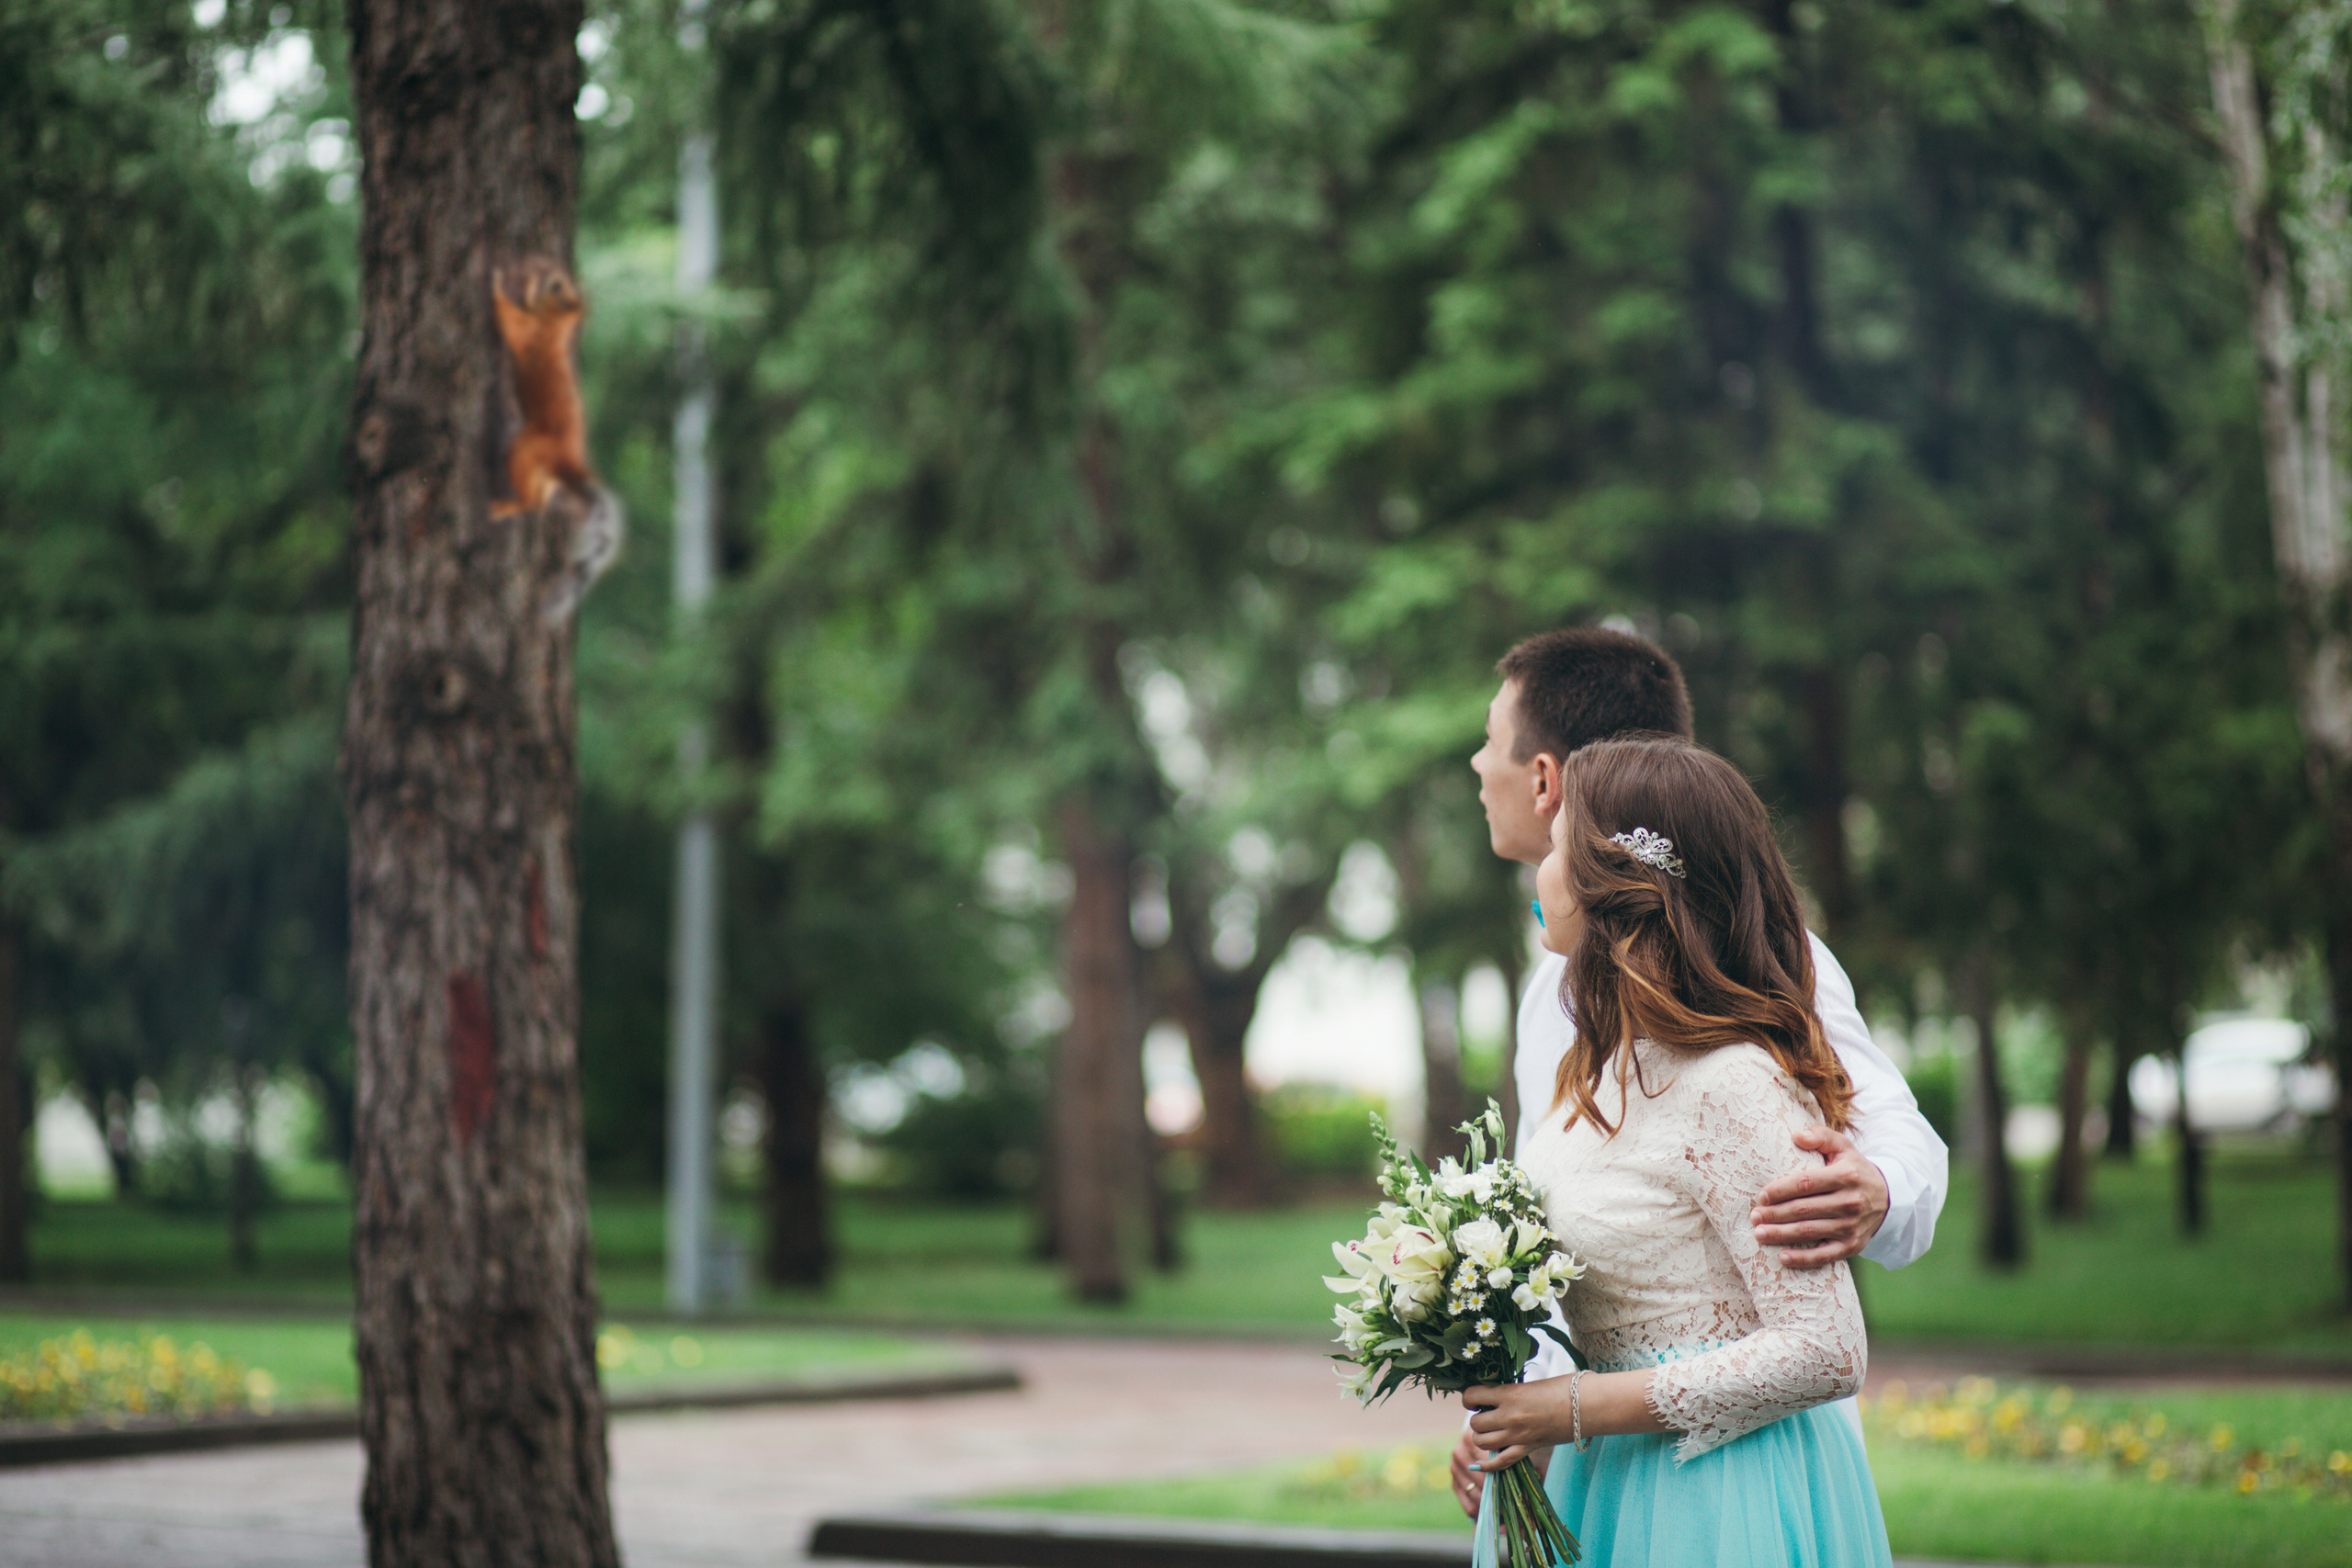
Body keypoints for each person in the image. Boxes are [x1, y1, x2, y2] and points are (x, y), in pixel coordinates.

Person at [1450, 627, 1947, 1516]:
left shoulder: (1756, 973)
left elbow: (1881, 1131)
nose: (1477, 761)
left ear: (1545, 779)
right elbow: (1609, 1235)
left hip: (1726, 1476)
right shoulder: (1552, 1004)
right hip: (1594, 1462)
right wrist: (1516, 1401)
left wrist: (1877, 1188)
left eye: (1491, 739)